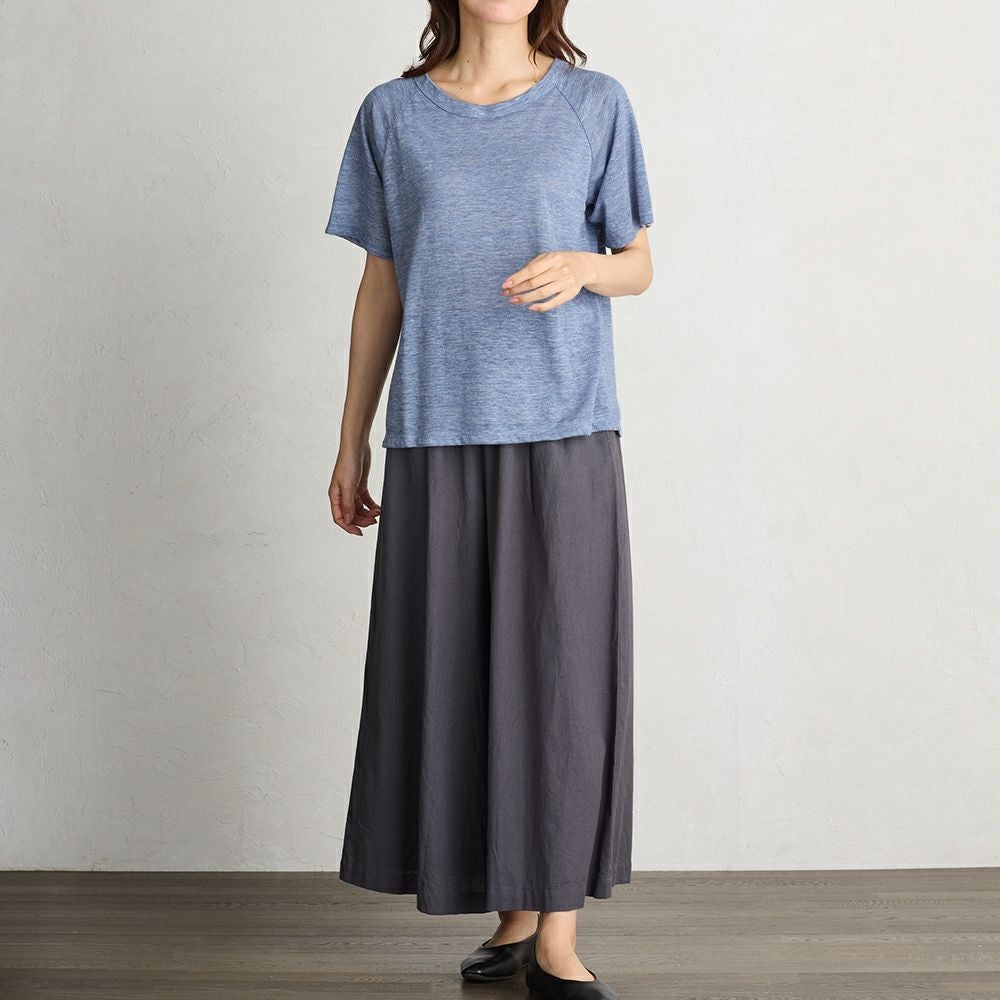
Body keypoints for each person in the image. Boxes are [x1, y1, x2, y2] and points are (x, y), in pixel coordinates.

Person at [323, 2, 653, 997]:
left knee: (563, 681)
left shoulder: (595, 104)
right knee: (462, 675)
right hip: (436, 430)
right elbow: (382, 284)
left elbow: (638, 263)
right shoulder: (392, 115)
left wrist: (585, 266)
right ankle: (512, 913)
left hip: (565, 428)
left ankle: (557, 934)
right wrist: (351, 438)